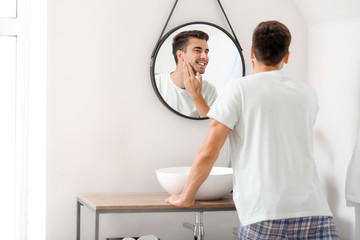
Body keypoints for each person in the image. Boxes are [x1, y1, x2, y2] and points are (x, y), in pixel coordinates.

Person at [166, 21, 340, 239]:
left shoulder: (238, 89)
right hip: (316, 212)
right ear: (286, 56)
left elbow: (210, 151)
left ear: (251, 53)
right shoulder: (307, 93)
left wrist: (186, 196)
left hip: (264, 213)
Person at [155, 30, 218, 118]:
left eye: (206, 52)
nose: (205, 57)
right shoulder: (157, 83)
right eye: (197, 50)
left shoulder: (209, 90)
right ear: (181, 56)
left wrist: (196, 95)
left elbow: (213, 127)